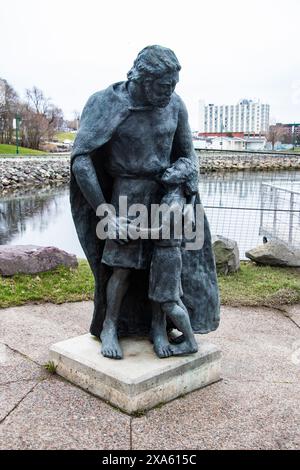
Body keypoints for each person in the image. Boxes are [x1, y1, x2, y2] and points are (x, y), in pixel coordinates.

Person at [70, 45, 220, 360]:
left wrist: (181, 191)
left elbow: (187, 154)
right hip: (125, 196)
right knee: (121, 269)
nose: (171, 92)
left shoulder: (175, 106)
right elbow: (81, 160)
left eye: (174, 85)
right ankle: (110, 325)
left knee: (162, 270)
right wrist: (105, 213)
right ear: (143, 79)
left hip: (166, 199)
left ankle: (158, 328)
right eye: (165, 85)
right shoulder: (105, 103)